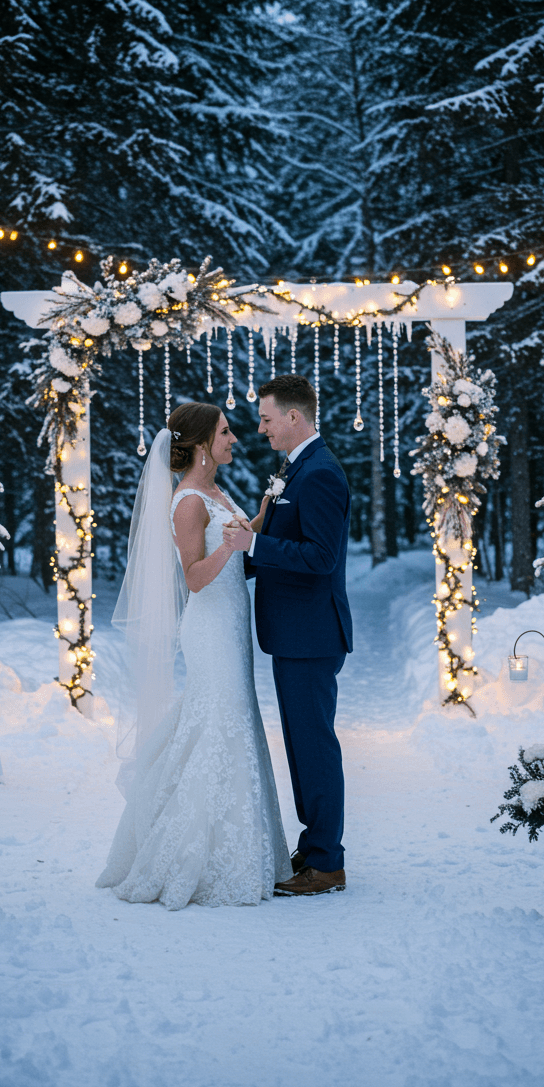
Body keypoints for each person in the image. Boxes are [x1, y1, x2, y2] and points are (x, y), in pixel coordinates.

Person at [96, 402, 291, 910]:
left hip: (232, 625)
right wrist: (232, 547)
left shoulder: (214, 490)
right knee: (215, 724)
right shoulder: (187, 501)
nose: (235, 439)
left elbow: (235, 534)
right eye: (225, 433)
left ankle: (239, 848)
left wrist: (266, 508)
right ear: (203, 443)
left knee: (231, 721)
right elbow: (195, 578)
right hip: (209, 627)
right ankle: (188, 857)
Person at [224, 374, 352, 897]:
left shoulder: (319, 474)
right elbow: (285, 542)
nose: (261, 429)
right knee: (302, 747)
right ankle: (315, 845)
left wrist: (253, 548)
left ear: (294, 418)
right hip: (295, 633)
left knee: (314, 747)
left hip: (311, 634)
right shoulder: (297, 468)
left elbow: (321, 558)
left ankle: (326, 863)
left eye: (268, 419)